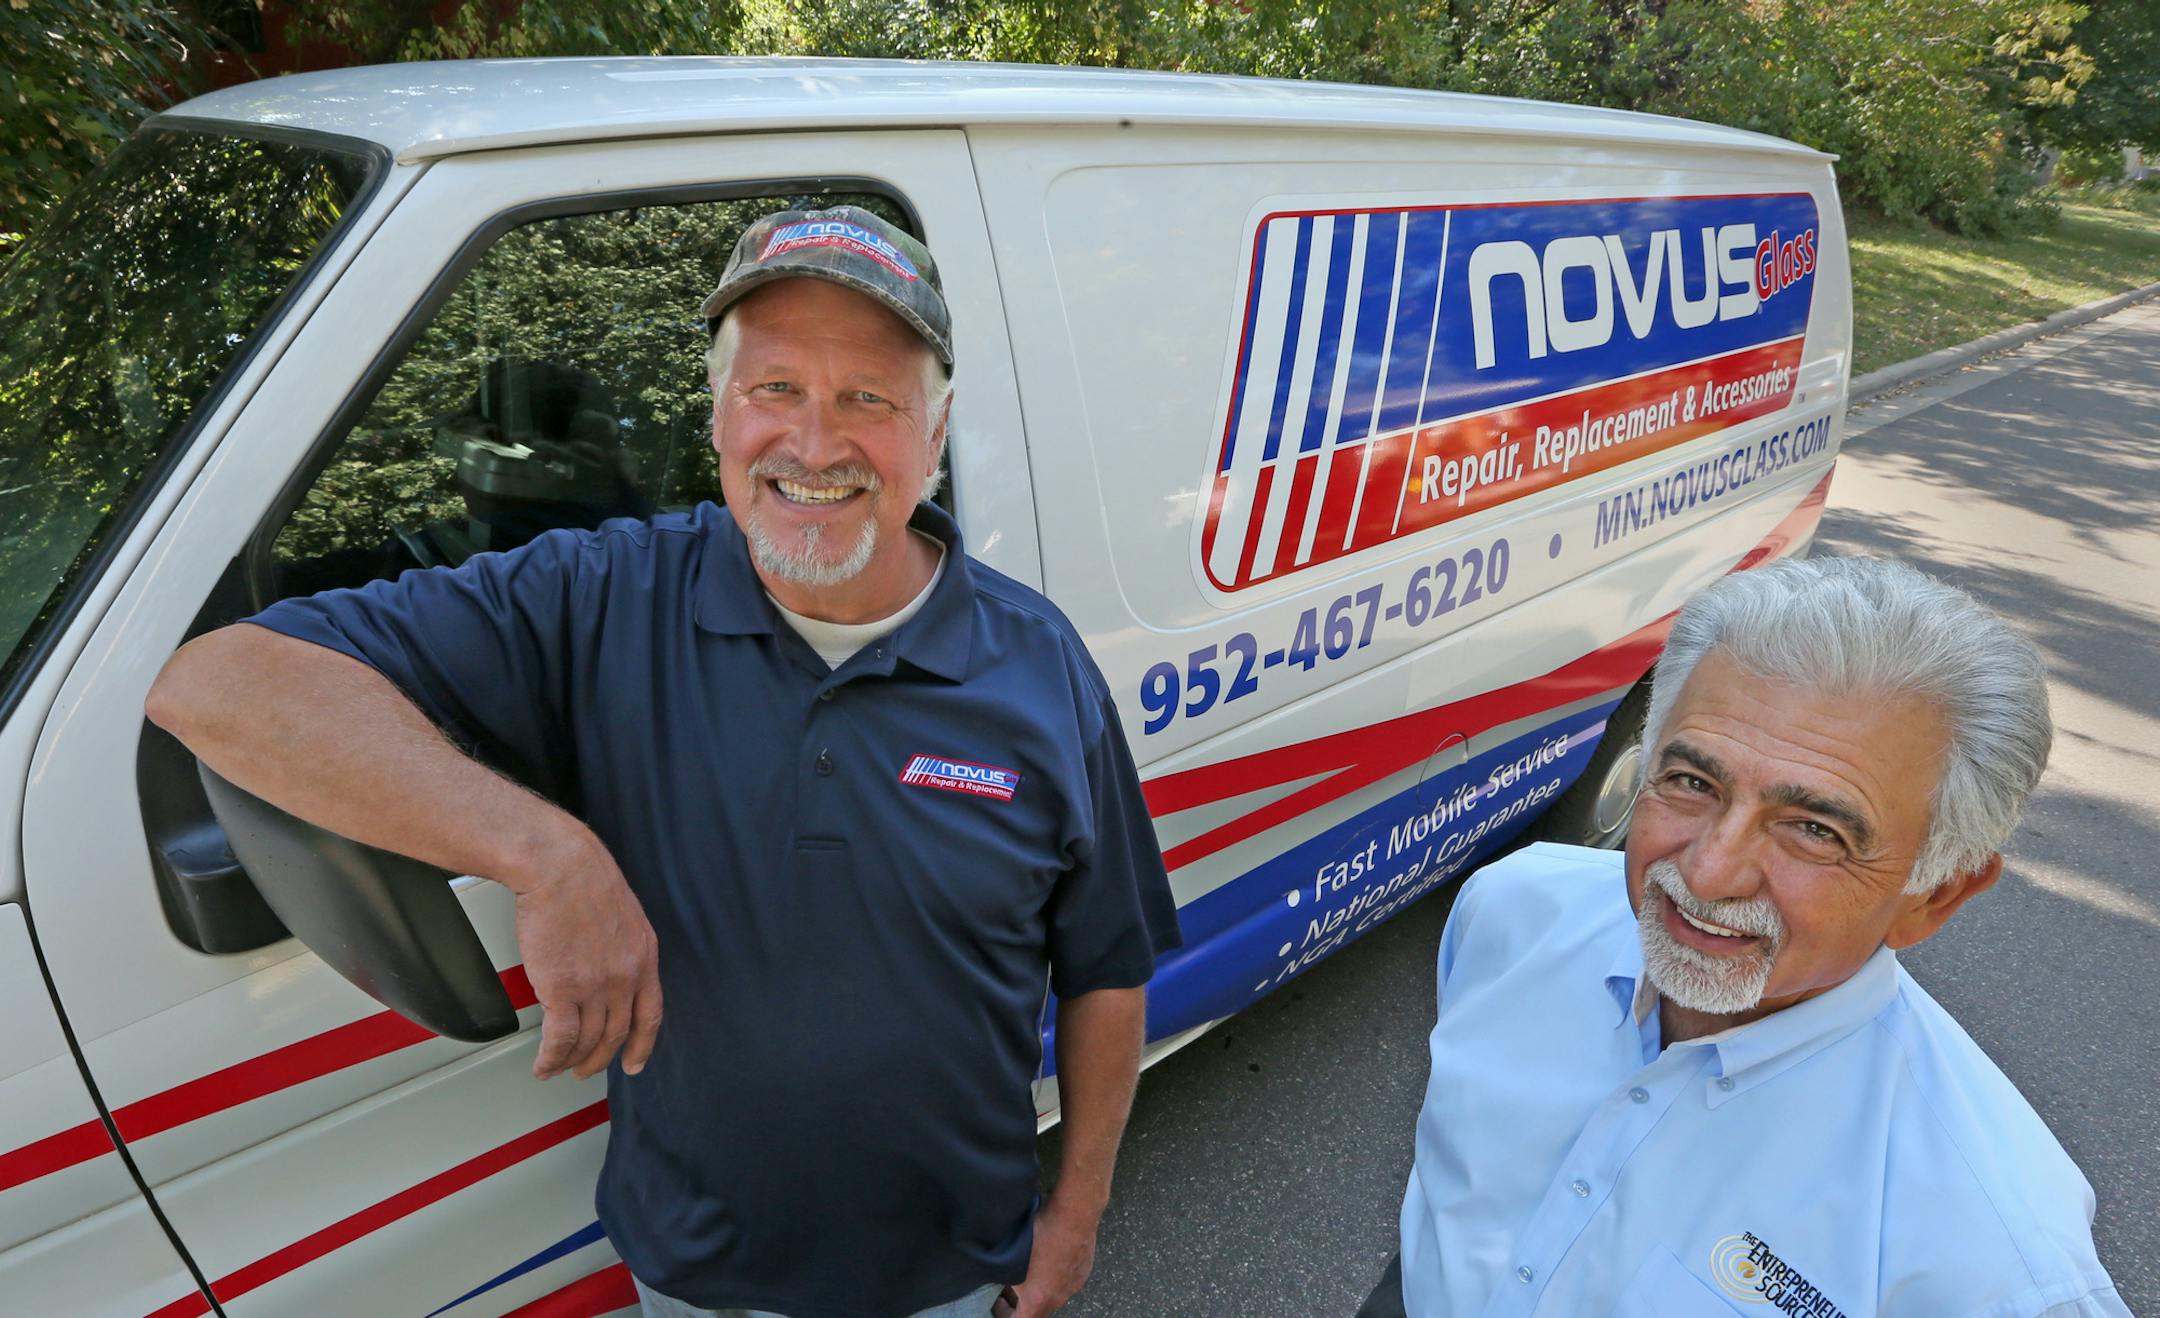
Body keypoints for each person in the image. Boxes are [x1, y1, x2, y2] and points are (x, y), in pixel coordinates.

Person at [146, 205, 1180, 1318]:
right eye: (775, 387)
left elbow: (1106, 967)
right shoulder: (601, 598)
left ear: (934, 436)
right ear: (720, 411)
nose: (815, 444)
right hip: (691, 1277)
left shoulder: (1039, 666)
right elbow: (216, 682)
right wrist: (546, 854)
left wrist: (1076, 1215)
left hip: (950, 1274)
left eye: (869, 399)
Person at [1360, 555, 2127, 1318]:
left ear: (1935, 896)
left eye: (1814, 829)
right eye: (1693, 783)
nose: (1707, 872)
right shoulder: (1515, 909)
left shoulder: (2001, 1262)